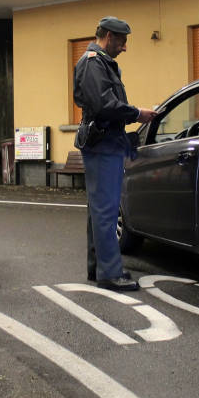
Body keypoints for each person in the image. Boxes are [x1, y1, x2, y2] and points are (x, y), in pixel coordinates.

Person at [73, 17, 157, 290]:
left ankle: (99, 268)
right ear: (108, 36)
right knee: (106, 211)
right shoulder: (93, 63)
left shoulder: (98, 63)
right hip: (102, 144)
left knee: (99, 211)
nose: (124, 47)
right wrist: (137, 113)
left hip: (106, 142)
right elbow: (104, 104)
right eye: (122, 41)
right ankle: (109, 274)